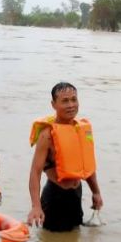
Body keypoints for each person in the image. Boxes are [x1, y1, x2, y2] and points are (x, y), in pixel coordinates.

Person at [27, 82, 103, 232]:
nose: (71, 105)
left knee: (74, 241)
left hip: (76, 193)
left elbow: (86, 164)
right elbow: (35, 172)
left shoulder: (80, 129)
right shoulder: (47, 135)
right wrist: (36, 206)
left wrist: (96, 192)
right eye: (65, 101)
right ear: (53, 104)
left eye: (74, 99)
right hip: (55, 196)